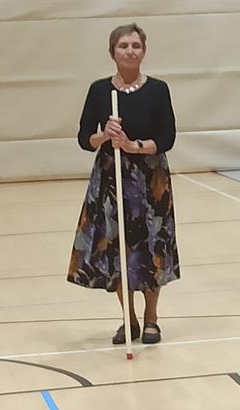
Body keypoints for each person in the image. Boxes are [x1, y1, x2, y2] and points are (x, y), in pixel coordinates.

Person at [70, 23, 178, 345]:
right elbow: (84, 138)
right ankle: (128, 318)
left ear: (143, 51)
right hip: (111, 177)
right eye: (123, 46)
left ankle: (151, 318)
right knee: (118, 247)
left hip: (150, 178)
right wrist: (105, 135)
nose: (130, 51)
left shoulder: (158, 89)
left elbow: (168, 137)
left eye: (135, 45)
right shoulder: (99, 91)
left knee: (151, 245)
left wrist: (135, 146)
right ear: (112, 52)